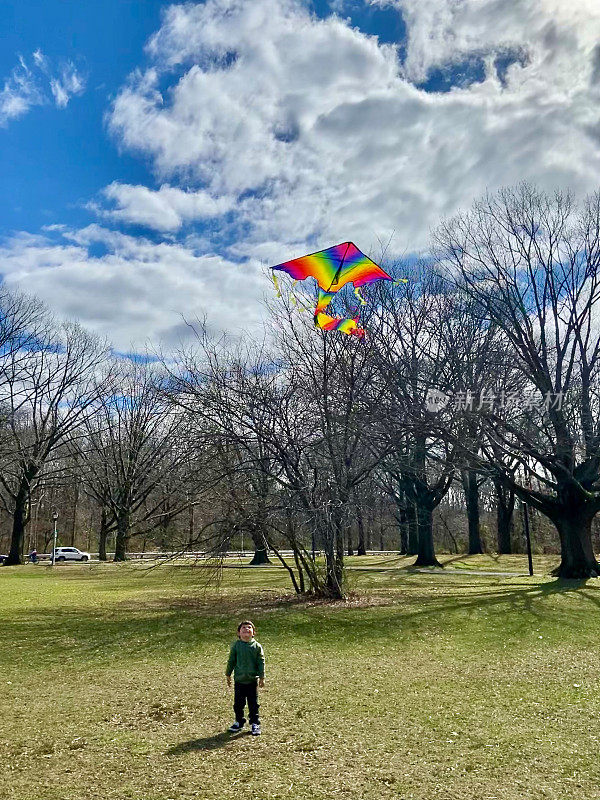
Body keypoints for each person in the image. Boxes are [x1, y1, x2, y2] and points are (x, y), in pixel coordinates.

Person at [225, 620, 265, 736]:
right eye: (243, 628)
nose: (246, 629)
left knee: (253, 704)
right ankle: (239, 721)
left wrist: (262, 677)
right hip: (239, 681)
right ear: (238, 633)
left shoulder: (256, 646)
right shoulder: (236, 646)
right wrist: (228, 674)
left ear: (253, 633)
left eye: (249, 628)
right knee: (238, 703)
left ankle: (255, 723)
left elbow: (261, 662)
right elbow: (231, 661)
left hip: (252, 681)